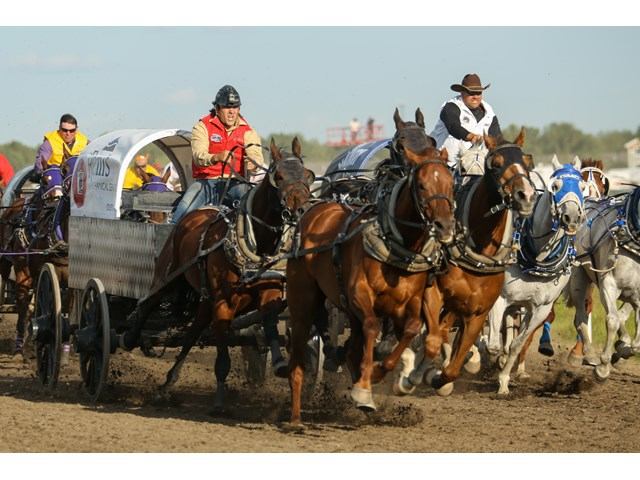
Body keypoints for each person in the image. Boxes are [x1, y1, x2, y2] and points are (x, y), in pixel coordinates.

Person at [170, 84, 265, 225]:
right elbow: (198, 156)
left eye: (235, 108)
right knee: (183, 210)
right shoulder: (202, 127)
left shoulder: (248, 131)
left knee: (255, 208)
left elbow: (256, 154)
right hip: (206, 182)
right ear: (218, 109)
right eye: (227, 107)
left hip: (236, 183)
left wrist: (253, 163)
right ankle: (170, 238)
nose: (232, 112)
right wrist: (217, 157)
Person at [430, 73, 502, 170]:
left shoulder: (489, 112)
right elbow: (453, 126)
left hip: (476, 168)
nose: (475, 96)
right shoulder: (451, 107)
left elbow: (497, 138)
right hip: (444, 165)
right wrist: (470, 136)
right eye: (471, 93)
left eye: (478, 93)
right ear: (462, 93)